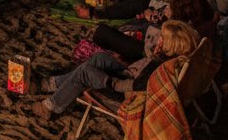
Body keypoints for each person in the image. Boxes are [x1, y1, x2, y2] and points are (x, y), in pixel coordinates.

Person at [33, 20, 200, 119]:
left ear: (172, 44)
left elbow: (138, 87)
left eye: (162, 38)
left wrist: (110, 81)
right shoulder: (171, 59)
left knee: (86, 72)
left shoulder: (161, 66)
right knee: (100, 58)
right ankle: (52, 84)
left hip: (126, 94)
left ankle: (51, 106)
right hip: (130, 74)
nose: (158, 40)